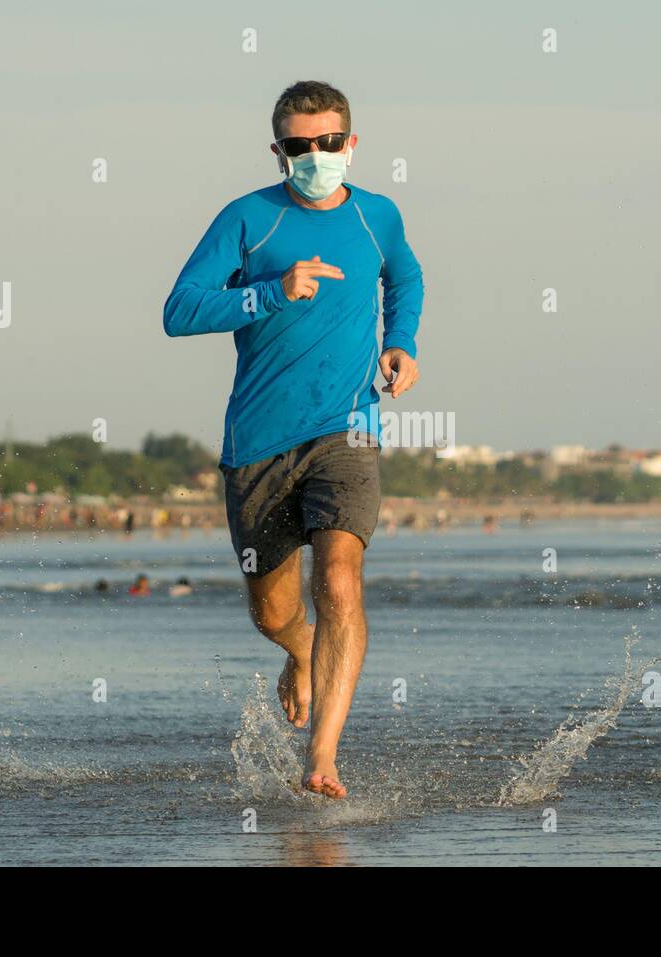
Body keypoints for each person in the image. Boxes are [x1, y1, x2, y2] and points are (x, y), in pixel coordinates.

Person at [163, 81, 424, 799]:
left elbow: (404, 271)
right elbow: (179, 310)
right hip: (258, 441)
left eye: (330, 142)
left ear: (353, 143)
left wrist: (399, 342)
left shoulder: (378, 215)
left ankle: (324, 756)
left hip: (348, 429)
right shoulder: (249, 220)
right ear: (279, 150)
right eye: (301, 146)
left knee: (339, 580)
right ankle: (301, 650)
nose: (317, 156)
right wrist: (271, 291)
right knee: (273, 612)